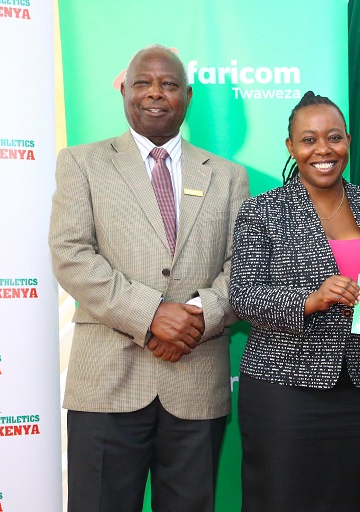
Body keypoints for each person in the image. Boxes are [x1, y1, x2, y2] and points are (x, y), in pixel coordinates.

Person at [49, 45, 249, 512]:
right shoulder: (82, 163)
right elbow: (71, 255)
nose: (155, 94)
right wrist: (153, 314)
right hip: (106, 383)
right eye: (143, 83)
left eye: (169, 84)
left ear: (188, 96)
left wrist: (196, 316)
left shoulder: (229, 176)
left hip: (196, 382)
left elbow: (243, 267)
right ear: (124, 90)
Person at [229, 91, 360, 512]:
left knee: (356, 500)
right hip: (284, 392)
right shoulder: (262, 211)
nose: (323, 150)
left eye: (334, 137)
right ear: (291, 147)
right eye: (308, 140)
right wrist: (311, 300)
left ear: (348, 140)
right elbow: (243, 296)